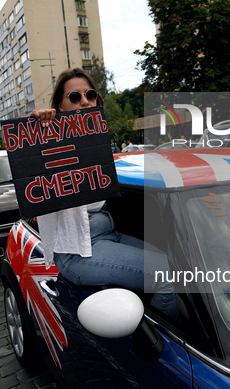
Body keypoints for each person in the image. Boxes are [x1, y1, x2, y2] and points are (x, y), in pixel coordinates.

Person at [30, 68, 178, 320]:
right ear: (59, 106)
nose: (85, 101)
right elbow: (33, 174)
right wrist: (38, 127)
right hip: (78, 251)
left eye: (90, 94)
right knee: (170, 276)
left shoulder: (97, 143)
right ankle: (155, 351)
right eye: (74, 97)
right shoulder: (49, 143)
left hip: (108, 233)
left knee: (179, 266)